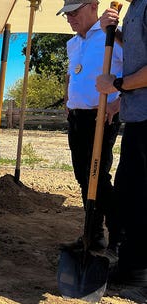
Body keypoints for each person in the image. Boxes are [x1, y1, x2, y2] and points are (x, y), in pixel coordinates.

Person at [56, 0, 123, 253]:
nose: (70, 19)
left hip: (101, 117)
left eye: (75, 12)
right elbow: (73, 74)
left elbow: (131, 73)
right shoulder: (72, 44)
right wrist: (69, 100)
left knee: (97, 177)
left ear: (93, 6)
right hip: (77, 118)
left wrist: (116, 106)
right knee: (83, 177)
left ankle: (119, 235)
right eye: (67, 15)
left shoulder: (112, 37)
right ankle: (92, 234)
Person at [96, 0, 147, 301]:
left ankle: (142, 274)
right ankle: (133, 267)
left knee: (143, 198)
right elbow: (138, 50)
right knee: (130, 195)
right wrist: (112, 33)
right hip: (137, 115)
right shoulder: (136, 6)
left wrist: (117, 83)